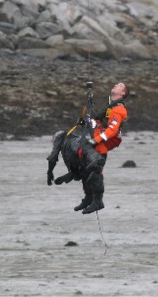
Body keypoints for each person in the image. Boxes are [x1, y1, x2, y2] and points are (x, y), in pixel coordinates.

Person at [46, 82, 129, 214]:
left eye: (119, 85)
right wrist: (87, 119)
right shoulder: (109, 105)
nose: (115, 85)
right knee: (85, 165)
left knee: (95, 168)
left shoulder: (119, 109)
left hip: (107, 140)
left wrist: (96, 140)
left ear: (123, 93)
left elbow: (112, 131)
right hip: (99, 134)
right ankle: (89, 197)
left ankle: (98, 201)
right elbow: (98, 118)